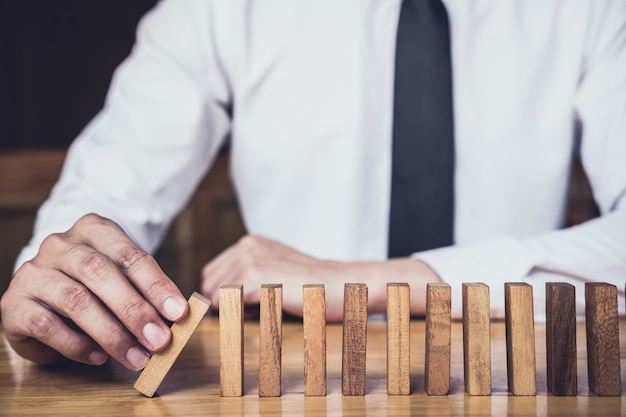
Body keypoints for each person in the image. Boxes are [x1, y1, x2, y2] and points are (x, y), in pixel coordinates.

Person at [2, 0, 625, 373]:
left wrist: (372, 281)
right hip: (290, 388)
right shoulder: (215, 10)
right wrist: (64, 302)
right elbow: (100, 204)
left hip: (517, 380)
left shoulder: (597, 10)